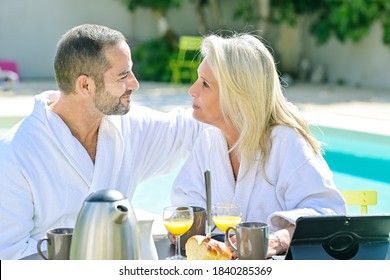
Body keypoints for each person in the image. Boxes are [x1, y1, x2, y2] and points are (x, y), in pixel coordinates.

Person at [0, 24, 205, 260]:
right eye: (123, 75)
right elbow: (9, 257)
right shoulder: (14, 155)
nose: (135, 84)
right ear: (85, 85)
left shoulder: (130, 127)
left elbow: (194, 127)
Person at [170, 33, 347, 258]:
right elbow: (186, 200)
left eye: (205, 84)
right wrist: (183, 227)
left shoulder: (286, 142)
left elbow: (329, 214)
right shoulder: (208, 141)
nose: (192, 90)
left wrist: (277, 240)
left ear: (238, 96)